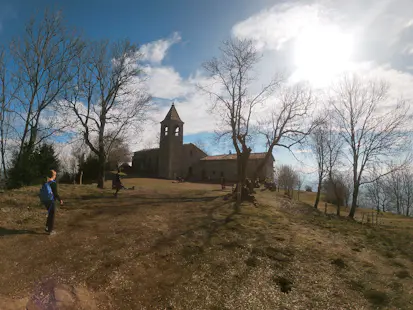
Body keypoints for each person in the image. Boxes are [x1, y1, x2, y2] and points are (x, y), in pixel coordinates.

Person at [40, 170, 63, 235]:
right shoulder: (53, 183)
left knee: (50, 214)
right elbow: (55, 193)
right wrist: (60, 199)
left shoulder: (46, 182)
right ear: (53, 176)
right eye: (55, 175)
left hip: (45, 201)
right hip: (51, 200)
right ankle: (51, 230)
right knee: (52, 215)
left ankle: (47, 227)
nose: (55, 176)